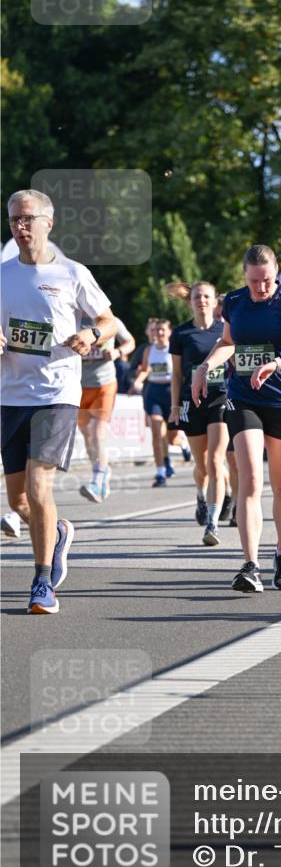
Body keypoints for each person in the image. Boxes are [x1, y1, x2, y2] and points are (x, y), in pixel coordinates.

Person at [0, 189, 115, 614]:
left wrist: (91, 334)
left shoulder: (72, 274)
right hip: (10, 395)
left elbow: (109, 319)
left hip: (57, 393)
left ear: (49, 222)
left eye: (28, 218)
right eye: (14, 220)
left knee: (38, 483)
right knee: (18, 503)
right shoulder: (3, 274)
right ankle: (59, 533)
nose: (20, 227)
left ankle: (42, 581)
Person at [191, 244, 281, 592]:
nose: (261, 288)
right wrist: (206, 366)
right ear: (244, 277)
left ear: (276, 273)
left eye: (266, 281)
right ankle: (250, 564)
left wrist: (280, 363)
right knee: (251, 481)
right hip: (244, 397)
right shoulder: (235, 302)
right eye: (254, 282)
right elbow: (227, 342)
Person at [167, 281, 232, 545]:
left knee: (216, 460)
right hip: (191, 402)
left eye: (206, 296)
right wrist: (173, 406)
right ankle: (200, 495)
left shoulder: (225, 331)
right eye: (197, 297)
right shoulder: (181, 333)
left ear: (216, 301)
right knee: (202, 464)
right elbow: (176, 374)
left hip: (220, 399)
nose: (202, 301)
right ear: (190, 301)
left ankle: (213, 524)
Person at [78, 314, 135, 502]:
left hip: (104, 384)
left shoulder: (111, 321)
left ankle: (97, 479)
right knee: (87, 436)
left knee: (97, 433)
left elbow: (130, 342)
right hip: (79, 386)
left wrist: (118, 352)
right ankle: (103, 470)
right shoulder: (73, 320)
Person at [130, 318, 176, 486]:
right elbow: (145, 369)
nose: (160, 333)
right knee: (157, 432)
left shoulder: (174, 349)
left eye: (163, 330)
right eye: (157, 330)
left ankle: (178, 451)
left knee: (171, 437)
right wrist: (138, 381)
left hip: (172, 393)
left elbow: (180, 372)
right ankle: (160, 472)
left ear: (170, 331)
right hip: (154, 393)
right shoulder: (149, 350)